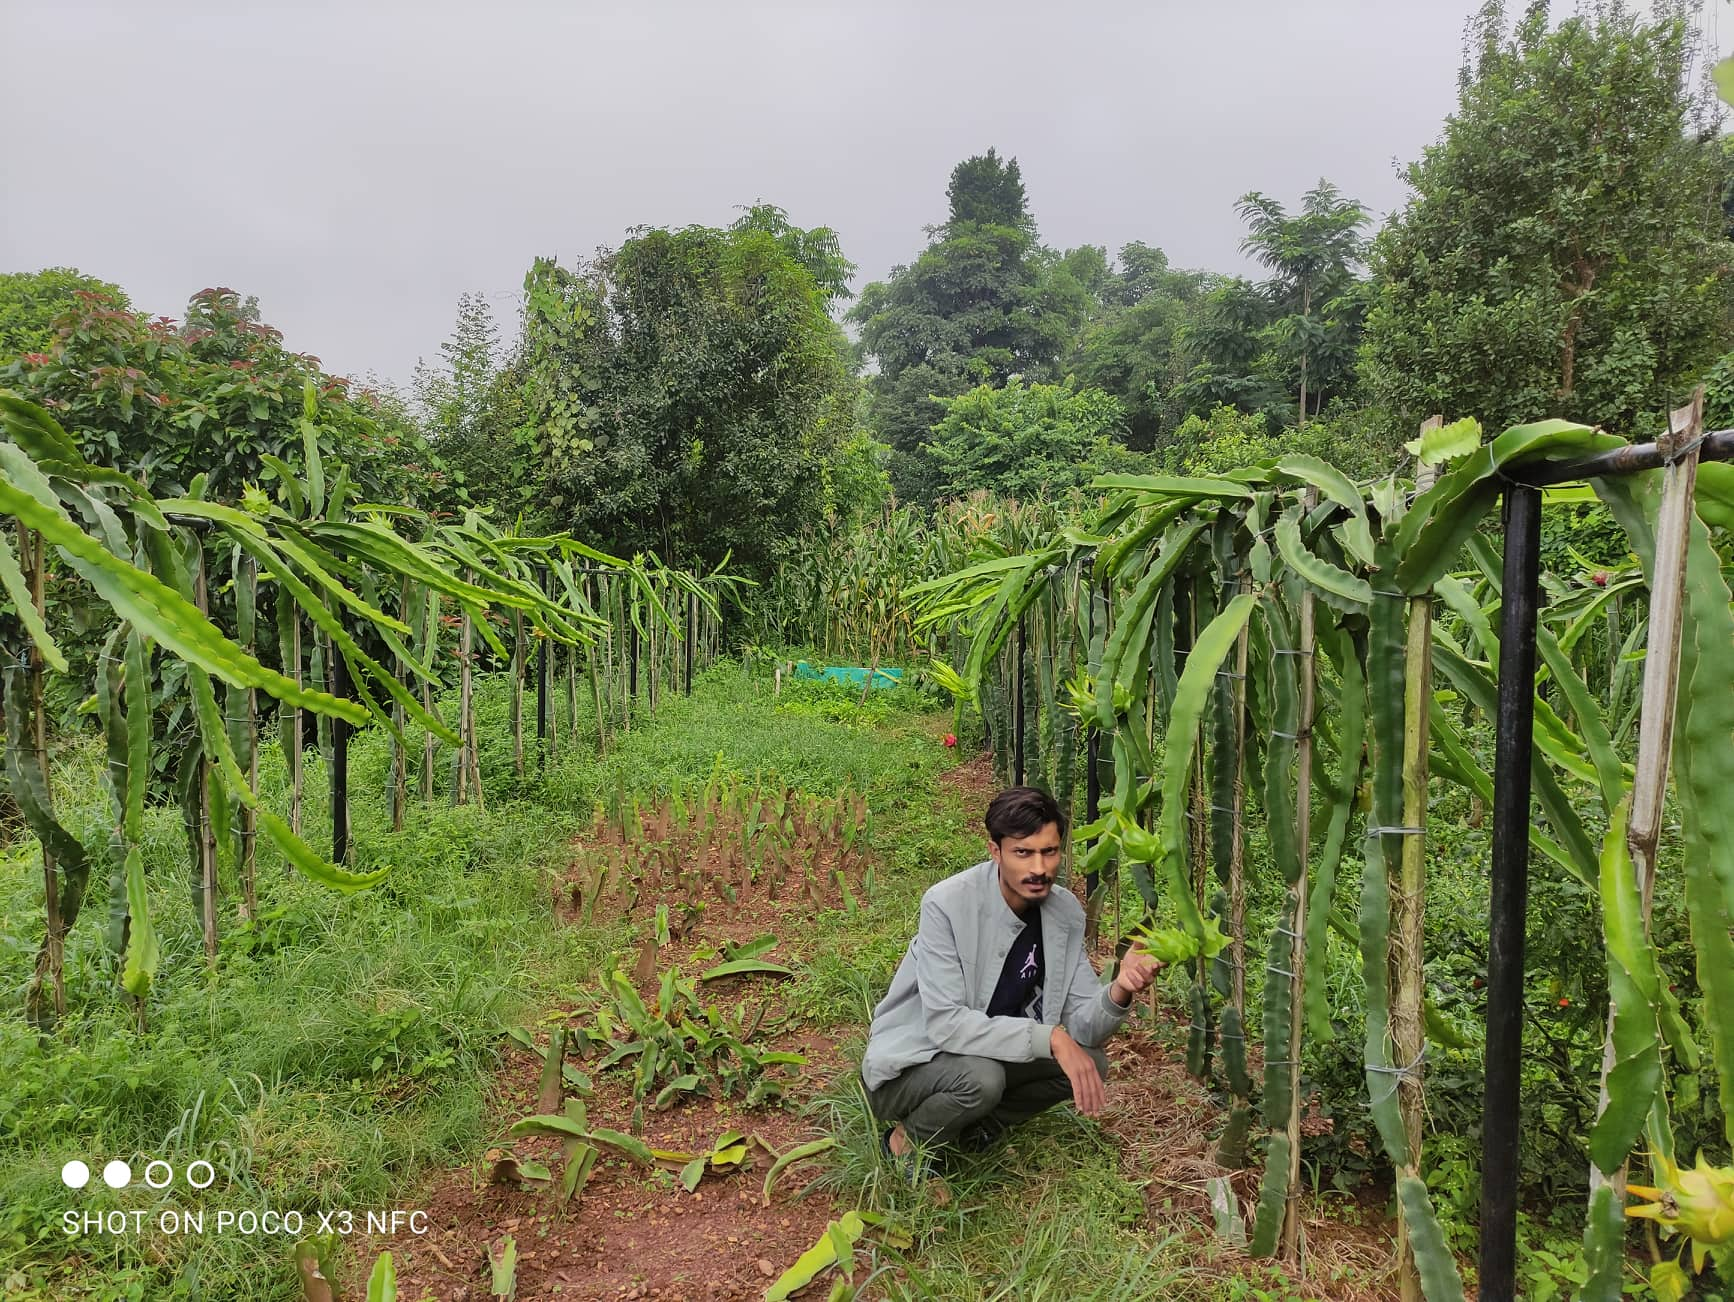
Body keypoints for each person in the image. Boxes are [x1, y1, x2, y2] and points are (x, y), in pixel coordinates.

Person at [860, 786, 1163, 1163]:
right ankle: (907, 1146)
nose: (1038, 868)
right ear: (995, 852)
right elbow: (945, 1025)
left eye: (1049, 852)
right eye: (1023, 853)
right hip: (913, 1066)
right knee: (983, 1079)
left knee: (1090, 1062)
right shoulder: (947, 904)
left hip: (984, 1056)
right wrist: (1049, 1037)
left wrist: (1120, 988)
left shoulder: (1064, 913)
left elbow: (1085, 1027)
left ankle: (976, 1129)